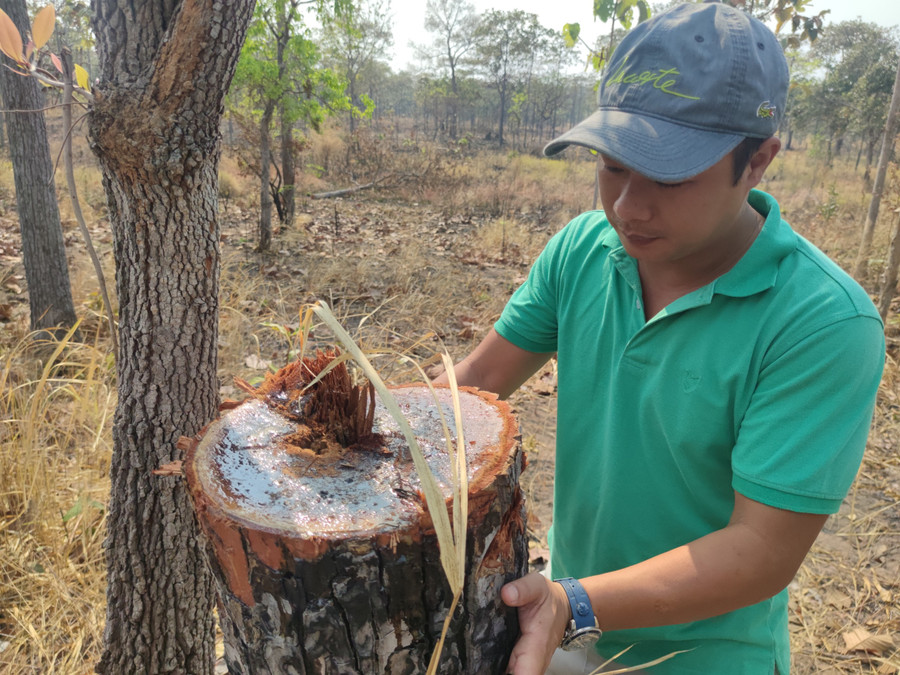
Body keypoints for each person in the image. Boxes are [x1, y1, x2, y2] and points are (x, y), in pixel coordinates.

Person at [434, 2, 886, 674]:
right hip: (559, 616)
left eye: (670, 177)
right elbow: (472, 388)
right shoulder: (584, 251)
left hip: (697, 653)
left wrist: (574, 603)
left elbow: (759, 550)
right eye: (613, 165)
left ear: (758, 159)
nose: (627, 207)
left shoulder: (818, 321)